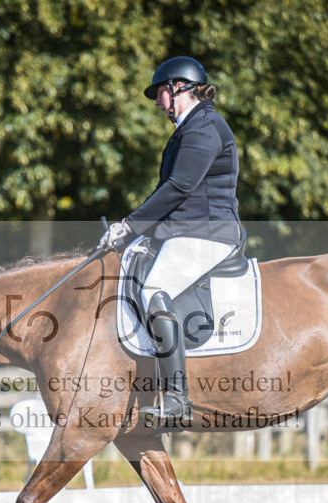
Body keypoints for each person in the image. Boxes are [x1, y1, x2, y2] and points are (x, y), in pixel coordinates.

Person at [100, 56, 243, 429]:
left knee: (155, 289)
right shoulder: (191, 127)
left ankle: (177, 398)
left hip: (208, 233)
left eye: (159, 93)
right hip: (188, 230)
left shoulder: (203, 128)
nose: (157, 102)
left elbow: (179, 188)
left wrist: (130, 225)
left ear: (176, 88)